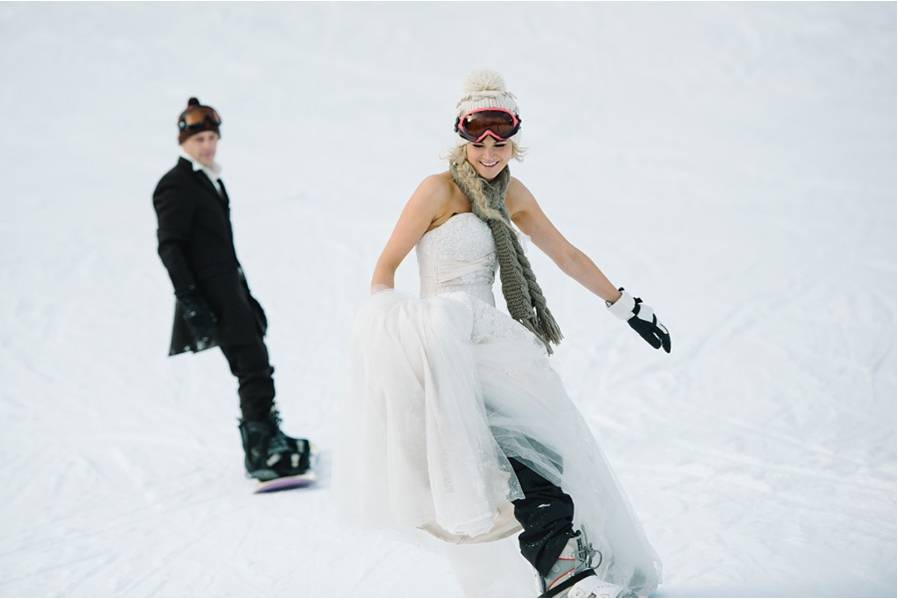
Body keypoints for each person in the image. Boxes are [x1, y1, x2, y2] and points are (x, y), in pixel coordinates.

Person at [340, 72, 670, 598]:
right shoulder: (436, 190)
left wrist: (624, 305)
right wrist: (391, 332)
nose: (489, 151)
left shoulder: (512, 193)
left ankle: (563, 565)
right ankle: (560, 570)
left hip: (494, 340)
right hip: (443, 340)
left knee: (541, 450)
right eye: (478, 138)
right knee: (506, 460)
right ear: (462, 136)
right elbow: (386, 267)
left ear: (514, 138)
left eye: (500, 139)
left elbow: (565, 254)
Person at [152, 97, 313, 483]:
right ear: (182, 141)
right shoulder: (175, 185)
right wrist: (190, 300)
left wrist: (245, 293)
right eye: (199, 139)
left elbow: (221, 249)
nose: (207, 146)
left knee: (256, 360)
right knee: (251, 366)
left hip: (230, 290)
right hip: (212, 296)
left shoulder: (209, 180)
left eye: (211, 138)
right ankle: (260, 453)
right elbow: (170, 246)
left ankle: (268, 435)